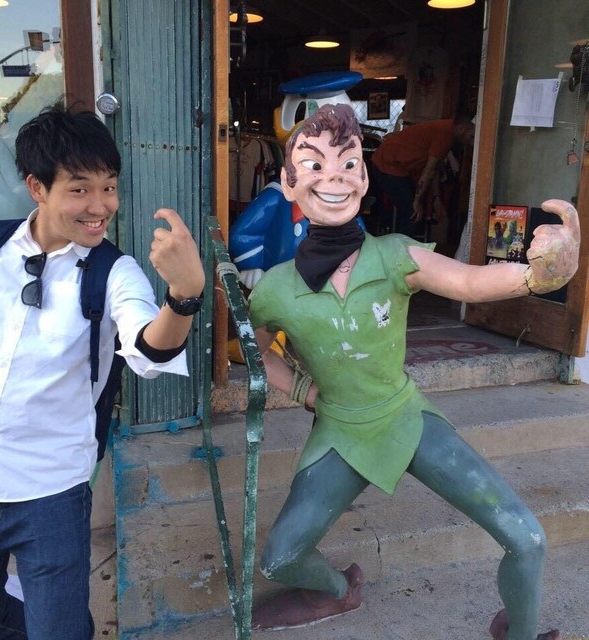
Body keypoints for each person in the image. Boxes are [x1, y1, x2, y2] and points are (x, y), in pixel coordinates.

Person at [248, 103, 579, 639]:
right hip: (341, 432)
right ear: (288, 184)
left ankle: (520, 633)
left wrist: (539, 277)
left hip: (406, 418)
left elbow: (469, 282)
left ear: (364, 179)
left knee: (529, 539)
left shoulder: (396, 255)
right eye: (313, 165)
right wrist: (304, 391)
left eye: (348, 163)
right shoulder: (273, 288)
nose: (334, 177)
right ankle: (339, 590)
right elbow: (257, 352)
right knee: (280, 559)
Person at [0, 103, 205, 640]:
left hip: (49, 494)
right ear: (37, 188)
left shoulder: (114, 271)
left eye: (109, 187)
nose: (100, 205)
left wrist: (183, 296)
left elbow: (148, 351)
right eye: (80, 188)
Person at [370, 113, 475, 237]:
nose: (471, 142)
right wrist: (417, 200)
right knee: (411, 210)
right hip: (389, 163)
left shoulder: (446, 130)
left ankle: (402, 241)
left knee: (409, 208)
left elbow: (434, 169)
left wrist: (436, 198)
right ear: (462, 129)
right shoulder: (446, 134)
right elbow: (429, 170)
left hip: (392, 163)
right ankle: (403, 245)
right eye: (471, 137)